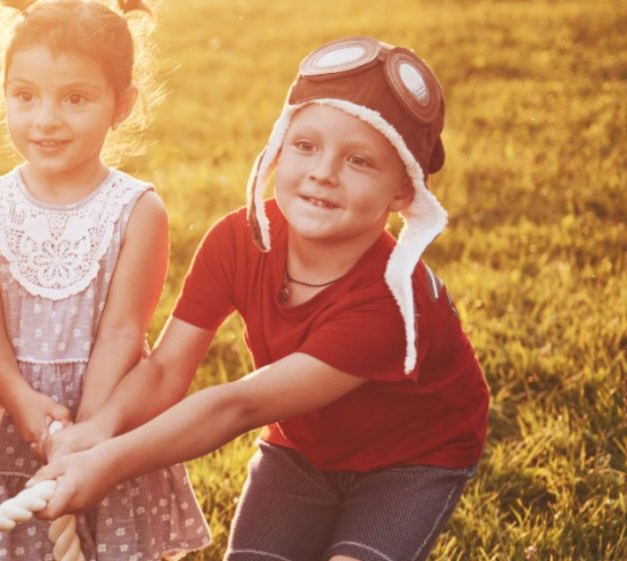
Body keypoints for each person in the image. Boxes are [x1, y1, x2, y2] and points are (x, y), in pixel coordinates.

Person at [36, 36, 490, 561]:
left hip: (410, 458)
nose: (323, 171)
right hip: (302, 448)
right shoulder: (238, 239)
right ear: (278, 146)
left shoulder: (391, 300)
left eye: (359, 161)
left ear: (402, 193)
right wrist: (100, 429)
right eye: (305, 145)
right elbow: (165, 369)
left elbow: (238, 405)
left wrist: (109, 463)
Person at [0, 1, 211, 559]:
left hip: (100, 414)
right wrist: (24, 403)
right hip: (12, 411)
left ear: (122, 105)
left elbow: (123, 332)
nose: (46, 118)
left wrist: (85, 436)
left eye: (75, 98)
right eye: (25, 96)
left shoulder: (136, 210)